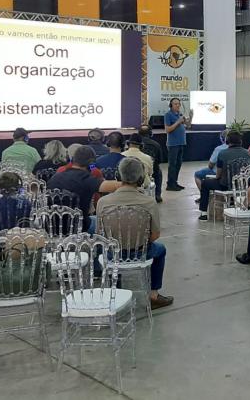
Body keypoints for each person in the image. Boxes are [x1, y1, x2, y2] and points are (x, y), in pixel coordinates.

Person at [96, 157, 174, 309]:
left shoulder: (103, 202)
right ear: (140, 178)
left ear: (118, 176)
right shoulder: (149, 202)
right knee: (161, 249)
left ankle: (116, 294)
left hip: (113, 255)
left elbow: (100, 233)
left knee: (109, 251)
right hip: (140, 253)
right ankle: (153, 295)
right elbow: (155, 235)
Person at [46, 145, 121, 232]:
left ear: (72, 160)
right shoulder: (86, 179)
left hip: (52, 229)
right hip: (80, 229)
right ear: (91, 165)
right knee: (106, 222)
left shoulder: (55, 177)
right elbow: (112, 186)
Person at [198, 131, 249, 220]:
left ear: (227, 141)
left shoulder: (222, 153)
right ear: (240, 141)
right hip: (242, 185)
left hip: (225, 185)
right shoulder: (247, 153)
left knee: (205, 183)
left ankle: (203, 213)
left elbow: (218, 175)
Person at [164, 97, 192, 191]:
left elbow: (188, 126)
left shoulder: (179, 114)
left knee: (178, 164)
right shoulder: (168, 115)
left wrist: (191, 117)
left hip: (181, 143)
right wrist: (178, 122)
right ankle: (170, 184)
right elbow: (167, 129)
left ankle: (174, 182)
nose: (178, 105)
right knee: (172, 164)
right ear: (171, 105)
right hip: (173, 144)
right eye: (175, 104)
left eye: (178, 104)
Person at [138, 125, 164, 203]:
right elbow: (159, 160)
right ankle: (157, 195)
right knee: (158, 172)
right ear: (151, 134)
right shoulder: (156, 145)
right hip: (151, 170)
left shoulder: (134, 144)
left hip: (136, 170)